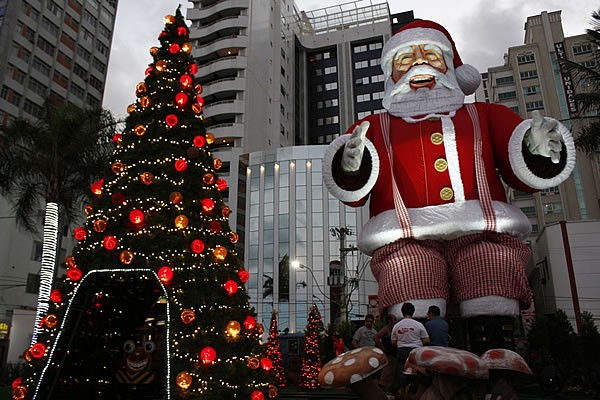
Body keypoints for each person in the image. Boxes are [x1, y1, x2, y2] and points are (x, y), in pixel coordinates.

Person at [323, 19, 576, 353]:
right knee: (410, 280)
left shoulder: (484, 115)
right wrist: (351, 165)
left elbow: (520, 171)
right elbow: (353, 189)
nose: (418, 63)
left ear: (454, 68)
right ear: (391, 76)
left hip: (483, 228)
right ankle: (420, 360)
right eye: (404, 59)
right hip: (405, 236)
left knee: (492, 269)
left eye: (430, 55)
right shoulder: (372, 126)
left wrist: (536, 149)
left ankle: (495, 357)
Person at [391, 303, 429, 392]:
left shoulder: (397, 326)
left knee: (401, 371)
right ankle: (415, 392)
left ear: (402, 312)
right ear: (413, 312)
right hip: (416, 351)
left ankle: (403, 391)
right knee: (417, 371)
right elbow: (426, 340)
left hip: (401, 350)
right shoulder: (419, 325)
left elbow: (393, 342)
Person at [377, 313, 397, 394]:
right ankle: (384, 390)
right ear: (389, 321)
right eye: (394, 319)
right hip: (388, 353)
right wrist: (382, 348)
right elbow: (376, 337)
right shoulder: (386, 329)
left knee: (392, 372)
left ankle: (388, 389)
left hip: (394, 353)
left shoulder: (394, 328)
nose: (395, 321)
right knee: (387, 372)